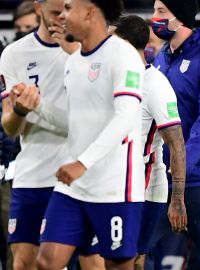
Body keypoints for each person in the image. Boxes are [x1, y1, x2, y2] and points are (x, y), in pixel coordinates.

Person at [14, 0, 144, 269]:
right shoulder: (74, 62)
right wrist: (36, 106)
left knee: (116, 265)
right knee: (47, 261)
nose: (62, 15)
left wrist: (82, 163)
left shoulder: (123, 55)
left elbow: (126, 118)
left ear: (89, 12)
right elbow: (73, 121)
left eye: (69, 8)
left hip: (114, 187)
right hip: (73, 188)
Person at [150, 1, 200, 269]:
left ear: (181, 17)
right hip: (160, 178)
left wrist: (182, 163)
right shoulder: (161, 57)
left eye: (162, 12)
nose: (154, 18)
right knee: (139, 249)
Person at [0, 0, 82, 269]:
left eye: (68, 10)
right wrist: (21, 112)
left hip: (83, 175)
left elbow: (89, 122)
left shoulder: (92, 51)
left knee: (94, 263)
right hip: (33, 176)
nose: (63, 18)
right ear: (38, 9)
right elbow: (10, 128)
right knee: (24, 263)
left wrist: (76, 56)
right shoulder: (14, 55)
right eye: (56, 12)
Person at [110, 15, 188, 270]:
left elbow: (176, 145)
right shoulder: (110, 79)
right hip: (109, 182)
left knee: (131, 260)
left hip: (144, 185)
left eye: (111, 41)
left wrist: (177, 199)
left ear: (127, 44)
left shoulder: (155, 84)